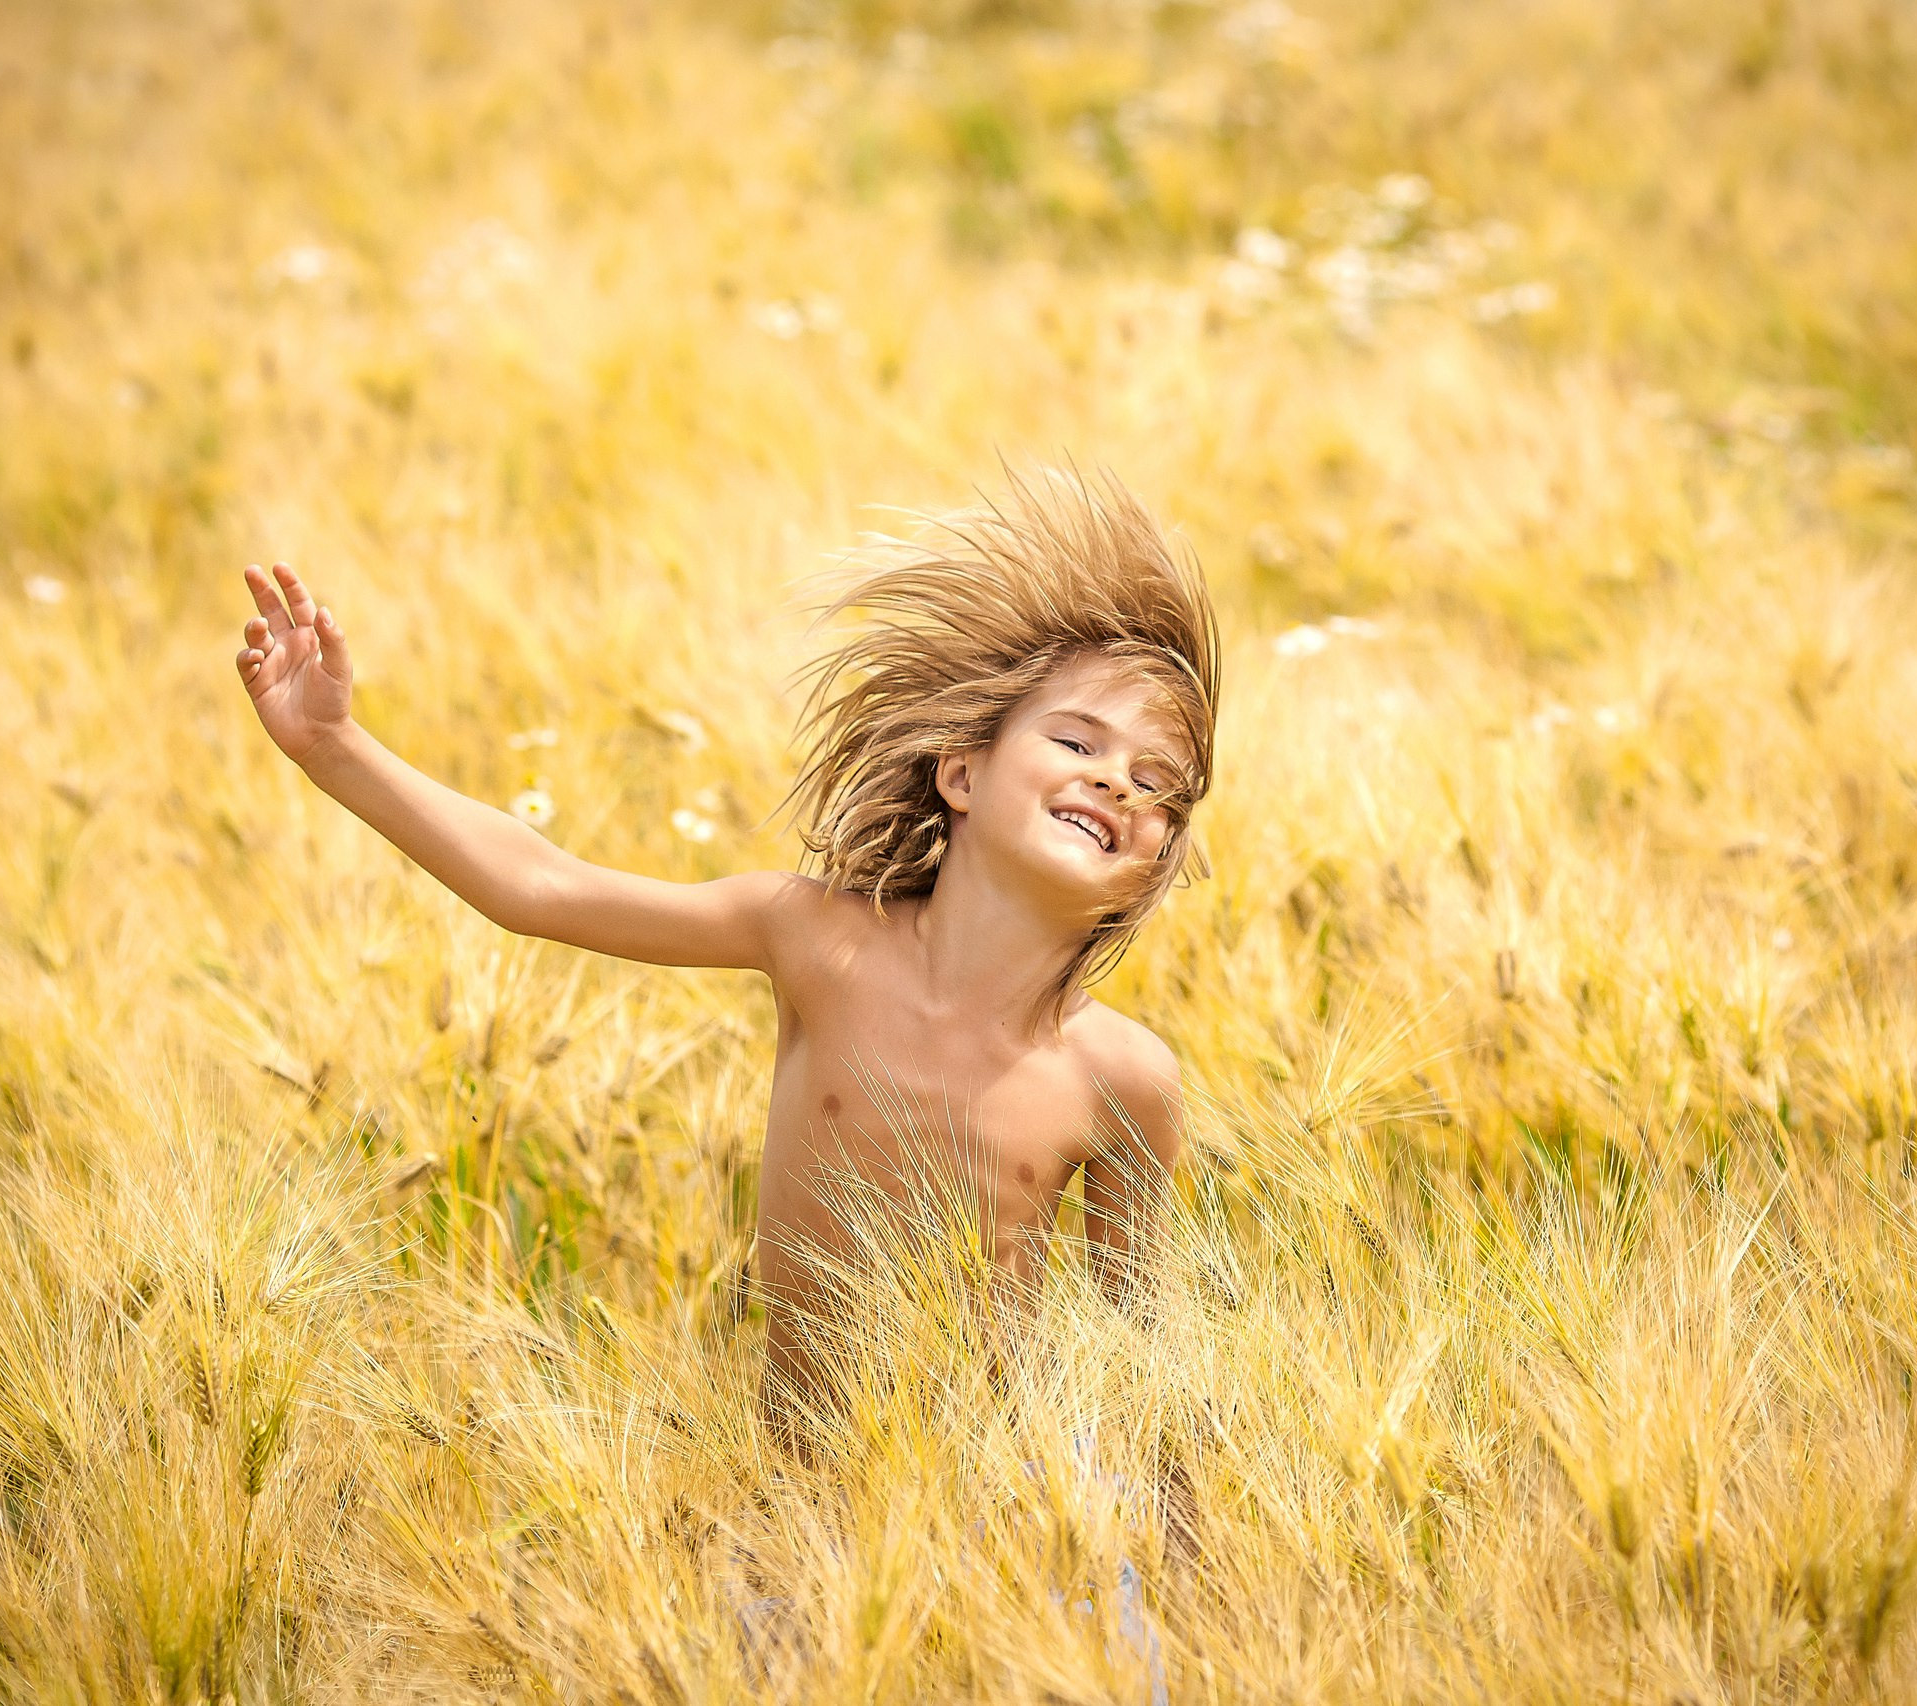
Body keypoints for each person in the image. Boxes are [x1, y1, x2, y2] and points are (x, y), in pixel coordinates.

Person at [229, 468, 1219, 1458]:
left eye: (1152, 783)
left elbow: (1138, 1353)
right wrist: (332, 744)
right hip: (793, 1502)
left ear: (1148, 872)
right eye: (1076, 738)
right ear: (960, 773)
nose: (1112, 778)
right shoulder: (814, 940)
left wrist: (1183, 1583)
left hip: (1001, 1509)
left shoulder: (1123, 1077)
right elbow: (540, 888)